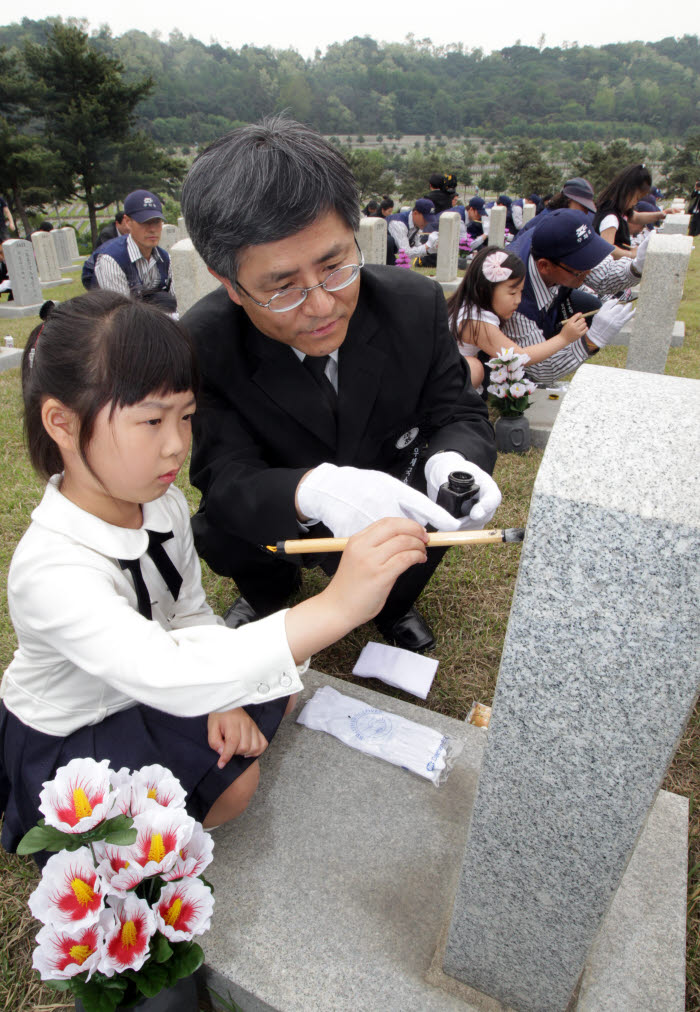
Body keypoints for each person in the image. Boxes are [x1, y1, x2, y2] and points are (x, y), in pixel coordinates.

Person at [0, 291, 430, 861]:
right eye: (151, 420)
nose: (177, 443)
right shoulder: (51, 568)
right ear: (61, 421)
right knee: (236, 785)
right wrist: (338, 606)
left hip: (158, 682)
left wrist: (219, 700)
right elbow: (169, 671)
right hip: (76, 731)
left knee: (280, 688)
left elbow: (187, 614)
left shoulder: (163, 505)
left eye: (185, 416)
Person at [180, 117, 499, 654]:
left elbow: (458, 417)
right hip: (280, 501)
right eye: (282, 288)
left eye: (334, 266)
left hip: (389, 489)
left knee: (430, 504)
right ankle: (270, 593)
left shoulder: (412, 306)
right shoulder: (203, 344)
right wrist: (312, 491)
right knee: (220, 528)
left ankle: (393, 603)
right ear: (229, 284)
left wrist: (455, 464)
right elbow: (225, 476)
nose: (323, 306)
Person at [505, 209, 640, 385]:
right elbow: (542, 369)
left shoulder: (555, 238)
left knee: (589, 305)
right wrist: (592, 341)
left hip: (549, 298)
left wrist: (637, 267)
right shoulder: (515, 300)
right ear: (545, 266)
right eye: (581, 267)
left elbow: (603, 277)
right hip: (503, 356)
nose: (590, 271)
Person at [447, 247, 588, 392]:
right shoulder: (475, 321)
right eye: (512, 292)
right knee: (474, 367)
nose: (518, 300)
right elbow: (517, 357)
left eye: (520, 292)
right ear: (485, 289)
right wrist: (564, 338)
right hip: (439, 384)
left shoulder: (469, 308)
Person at [90, 190, 176, 313]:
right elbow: (121, 315)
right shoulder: (112, 260)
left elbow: (174, 302)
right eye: (144, 222)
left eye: (157, 222)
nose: (152, 229)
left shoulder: (165, 258)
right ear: (128, 222)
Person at [592, 164, 665, 258]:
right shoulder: (610, 218)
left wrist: (660, 215)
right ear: (627, 192)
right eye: (637, 198)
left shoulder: (618, 209)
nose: (635, 203)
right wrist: (631, 254)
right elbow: (607, 249)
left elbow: (636, 217)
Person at [409, 197, 440, 267]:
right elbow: (405, 253)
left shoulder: (416, 227)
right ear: (415, 213)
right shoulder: (400, 224)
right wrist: (428, 245)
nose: (427, 223)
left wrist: (432, 248)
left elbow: (417, 247)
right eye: (425, 219)